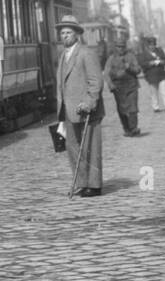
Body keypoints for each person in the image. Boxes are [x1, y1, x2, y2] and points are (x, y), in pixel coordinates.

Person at [56, 15, 104, 196]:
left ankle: (94, 185)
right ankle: (82, 182)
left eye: (68, 32)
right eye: (62, 33)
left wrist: (90, 103)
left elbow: (95, 81)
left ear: (77, 34)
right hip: (68, 110)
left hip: (86, 110)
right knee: (74, 148)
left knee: (91, 147)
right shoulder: (63, 56)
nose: (65, 36)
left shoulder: (86, 53)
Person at [103, 29, 143, 137]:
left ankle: (134, 128)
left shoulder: (131, 56)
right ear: (115, 47)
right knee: (122, 110)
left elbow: (138, 70)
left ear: (125, 47)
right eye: (118, 46)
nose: (120, 48)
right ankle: (126, 128)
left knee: (133, 108)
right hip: (118, 88)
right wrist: (111, 85)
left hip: (131, 86)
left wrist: (129, 67)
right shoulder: (111, 59)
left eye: (122, 46)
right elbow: (106, 74)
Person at [138, 35, 165, 113]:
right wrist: (150, 63)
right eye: (150, 45)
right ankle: (156, 107)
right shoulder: (143, 53)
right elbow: (142, 64)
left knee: (164, 91)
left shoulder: (159, 51)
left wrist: (161, 62)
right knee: (153, 92)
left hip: (162, 74)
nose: (152, 46)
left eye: (153, 44)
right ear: (147, 45)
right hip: (151, 75)